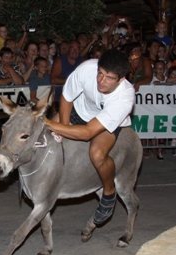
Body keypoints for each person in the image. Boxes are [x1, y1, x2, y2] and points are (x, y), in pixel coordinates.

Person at [43, 50, 135, 225]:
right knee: (46, 138)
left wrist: (45, 122)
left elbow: (87, 133)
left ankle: (108, 193)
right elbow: (66, 97)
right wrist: (63, 127)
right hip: (79, 110)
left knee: (97, 154)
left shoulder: (124, 97)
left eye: (109, 78)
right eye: (100, 73)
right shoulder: (86, 69)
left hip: (103, 123)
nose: (101, 80)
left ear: (121, 79)